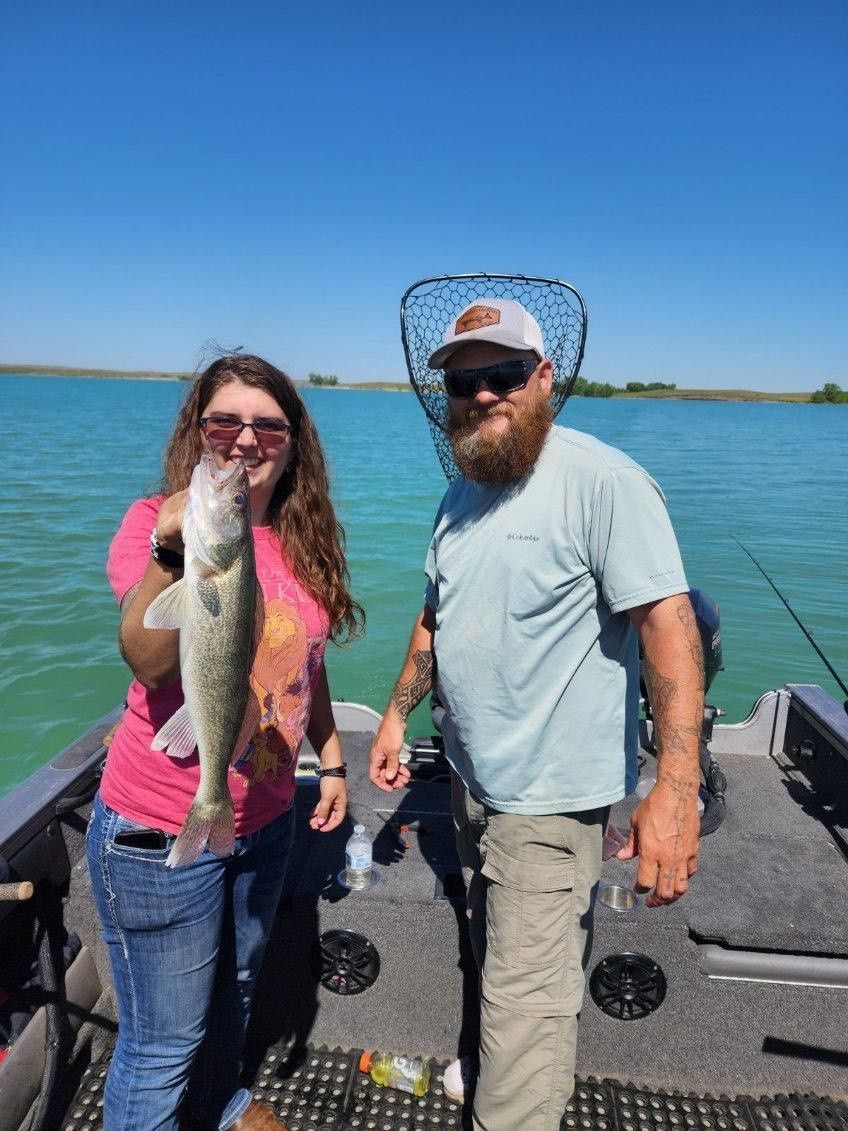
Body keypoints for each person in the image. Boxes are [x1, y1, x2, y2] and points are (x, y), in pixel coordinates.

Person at [369, 298, 704, 1130]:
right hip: (471, 783)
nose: (482, 394)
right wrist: (395, 714)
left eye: (504, 374)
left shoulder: (603, 481)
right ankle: (494, 1068)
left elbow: (669, 623)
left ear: (544, 377)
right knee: (496, 959)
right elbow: (435, 616)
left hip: (550, 804)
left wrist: (676, 787)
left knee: (525, 1013)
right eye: (463, 381)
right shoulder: (460, 495)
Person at [87, 353, 363, 1130]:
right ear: (198, 430)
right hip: (159, 822)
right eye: (225, 423)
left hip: (264, 819)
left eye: (268, 426)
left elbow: (305, 666)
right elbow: (147, 660)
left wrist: (331, 759)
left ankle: (215, 1104)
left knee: (235, 992)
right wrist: (172, 550)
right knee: (161, 1045)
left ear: (293, 441)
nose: (245, 441)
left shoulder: (304, 538)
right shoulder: (155, 524)